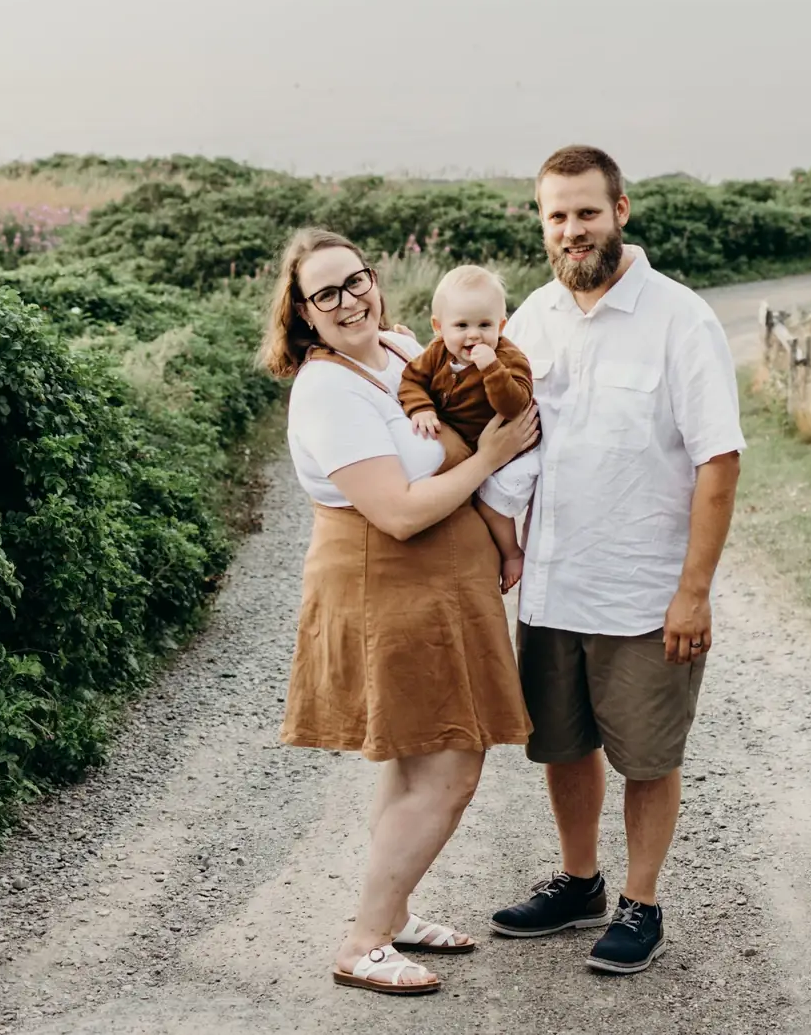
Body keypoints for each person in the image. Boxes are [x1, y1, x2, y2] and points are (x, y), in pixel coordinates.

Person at [260, 228, 539, 997]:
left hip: (443, 593)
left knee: (419, 754)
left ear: (374, 281)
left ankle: (394, 911)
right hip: (387, 585)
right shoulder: (325, 389)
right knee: (451, 763)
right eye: (326, 294)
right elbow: (399, 512)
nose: (348, 300)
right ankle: (365, 940)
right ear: (303, 315)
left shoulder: (400, 349)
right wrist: (492, 455)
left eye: (355, 281)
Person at [489, 146, 744, 974]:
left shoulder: (681, 318)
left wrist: (693, 593)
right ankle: (578, 881)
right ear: (542, 224)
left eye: (586, 212)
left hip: (642, 589)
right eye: (556, 216)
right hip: (553, 585)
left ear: (622, 211)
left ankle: (641, 899)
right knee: (562, 744)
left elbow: (718, 460)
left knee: (647, 754)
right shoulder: (529, 319)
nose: (572, 230)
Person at [396, 264, 541, 590]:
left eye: (485, 325)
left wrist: (492, 368)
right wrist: (420, 408)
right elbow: (411, 381)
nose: (474, 335)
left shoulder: (508, 358)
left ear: (501, 326)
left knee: (488, 504)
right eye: (461, 325)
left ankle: (511, 553)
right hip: (470, 445)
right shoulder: (435, 354)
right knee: (455, 499)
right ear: (438, 327)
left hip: (511, 449)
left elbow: (515, 404)